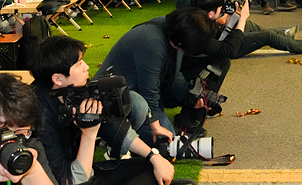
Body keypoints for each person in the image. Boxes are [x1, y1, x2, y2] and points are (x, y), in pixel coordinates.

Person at [29, 36, 196, 185]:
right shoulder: (39, 117)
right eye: (79, 64)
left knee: (148, 167)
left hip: (85, 173)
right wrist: (89, 135)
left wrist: (154, 157)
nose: (86, 68)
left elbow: (112, 126)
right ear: (57, 78)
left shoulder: (73, 91)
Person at [93, 8, 221, 145]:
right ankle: (114, 135)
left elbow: (172, 75)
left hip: (134, 89)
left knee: (167, 137)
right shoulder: (152, 41)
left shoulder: (172, 29)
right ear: (185, 42)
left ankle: (126, 133)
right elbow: (149, 90)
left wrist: (190, 95)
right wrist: (155, 126)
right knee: (164, 141)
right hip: (112, 99)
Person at [190, 0, 302, 56]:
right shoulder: (201, 32)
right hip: (229, 49)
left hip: (222, 39)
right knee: (264, 36)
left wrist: (231, 13)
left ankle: (282, 35)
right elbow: (228, 49)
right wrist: (242, 17)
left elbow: (218, 24)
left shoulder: (196, 14)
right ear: (210, 13)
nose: (222, 8)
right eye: (220, 6)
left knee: (248, 26)